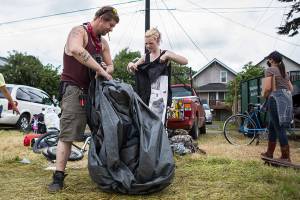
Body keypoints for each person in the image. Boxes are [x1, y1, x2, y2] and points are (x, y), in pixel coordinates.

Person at [48, 6, 119, 192]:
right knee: (68, 133)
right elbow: (76, 50)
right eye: (110, 25)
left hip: (95, 92)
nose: (110, 29)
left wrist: (105, 67)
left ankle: (104, 171)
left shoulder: (102, 43)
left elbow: (111, 66)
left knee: (104, 131)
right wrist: (100, 69)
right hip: (74, 90)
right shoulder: (78, 32)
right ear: (102, 18)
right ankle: (58, 177)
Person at [127, 28, 188, 123]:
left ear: (158, 40)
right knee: (146, 124)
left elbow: (185, 61)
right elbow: (133, 70)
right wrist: (130, 64)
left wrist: (168, 56)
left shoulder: (165, 53)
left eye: (151, 43)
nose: (148, 46)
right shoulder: (145, 57)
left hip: (161, 99)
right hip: (146, 97)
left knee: (159, 124)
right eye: (146, 43)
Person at [261, 51, 294, 162]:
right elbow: (291, 89)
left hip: (275, 99)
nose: (268, 61)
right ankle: (269, 153)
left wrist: (264, 96)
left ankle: (285, 157)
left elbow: (267, 88)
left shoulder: (270, 70)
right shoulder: (285, 73)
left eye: (269, 59)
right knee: (272, 126)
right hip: (287, 100)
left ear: (271, 60)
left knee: (279, 128)